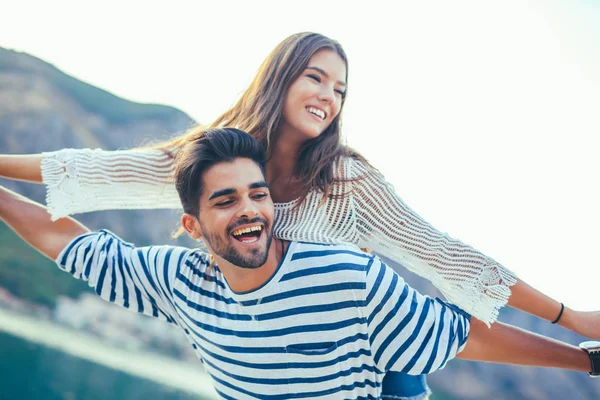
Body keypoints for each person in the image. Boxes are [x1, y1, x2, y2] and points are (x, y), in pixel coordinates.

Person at [0, 32, 598, 399]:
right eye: (315, 77)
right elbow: (94, 171)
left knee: (430, 323)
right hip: (267, 358)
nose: (328, 96)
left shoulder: (349, 183)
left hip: (368, 355)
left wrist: (572, 319)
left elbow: (448, 258)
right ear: (280, 78)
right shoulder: (223, 162)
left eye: (340, 89)